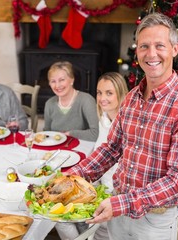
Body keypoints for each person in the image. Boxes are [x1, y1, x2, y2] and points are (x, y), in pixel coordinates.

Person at [66, 12, 178, 240]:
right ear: (137, 52)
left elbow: (177, 183)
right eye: (144, 46)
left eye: (159, 45)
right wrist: (74, 175)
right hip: (118, 209)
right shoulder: (133, 97)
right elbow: (112, 148)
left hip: (153, 221)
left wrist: (122, 203)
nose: (151, 54)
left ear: (174, 49)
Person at [55, 72, 128, 240]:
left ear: (121, 94)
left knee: (62, 216)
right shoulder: (104, 119)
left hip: (115, 195)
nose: (102, 98)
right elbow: (99, 157)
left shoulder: (125, 125)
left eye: (109, 93)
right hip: (99, 187)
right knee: (58, 208)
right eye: (99, 92)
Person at [43, 61, 99, 141]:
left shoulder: (86, 100)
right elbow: (47, 133)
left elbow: (96, 133)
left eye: (62, 80)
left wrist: (70, 134)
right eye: (53, 81)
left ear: (72, 80)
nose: (57, 85)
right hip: (57, 150)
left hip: (82, 149)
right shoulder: (49, 104)